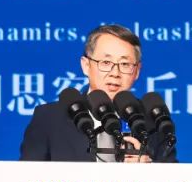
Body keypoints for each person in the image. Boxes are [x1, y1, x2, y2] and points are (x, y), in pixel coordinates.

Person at [19, 25, 177, 162]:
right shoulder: (49, 118)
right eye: (106, 62)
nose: (115, 73)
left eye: (125, 64)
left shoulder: (154, 122)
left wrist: (149, 172)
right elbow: (26, 179)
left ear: (137, 71)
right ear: (86, 65)